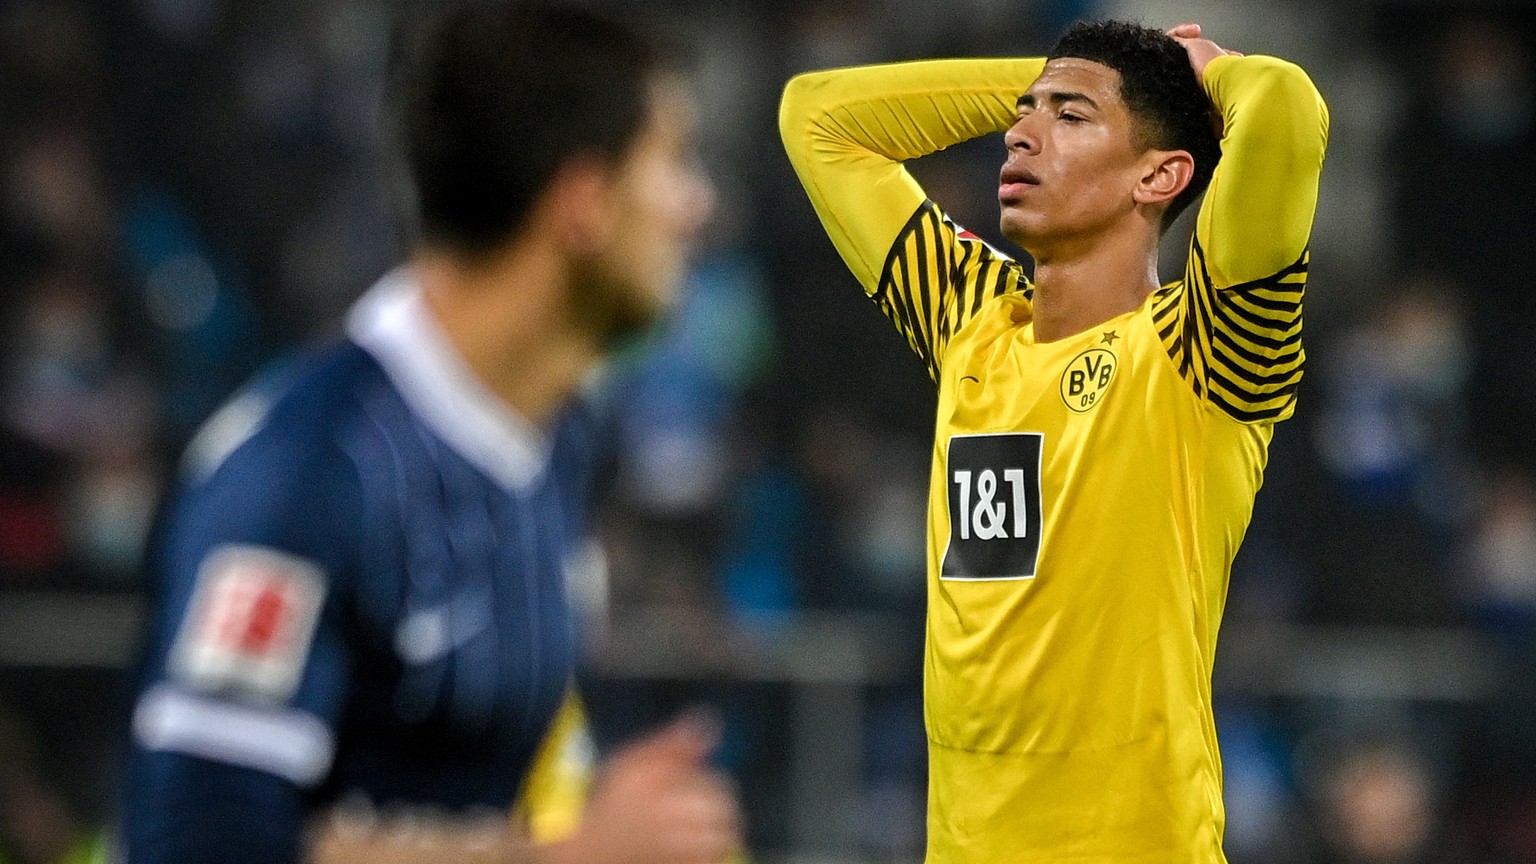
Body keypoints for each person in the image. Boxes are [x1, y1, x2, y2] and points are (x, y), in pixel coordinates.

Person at [121, 3, 739, 864]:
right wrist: (568, 860)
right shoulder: (302, 476)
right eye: (673, 162)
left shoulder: (555, 442)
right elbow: (197, 844)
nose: (694, 205)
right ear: (584, 203)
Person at [781, 19, 1327, 862]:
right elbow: (816, 115)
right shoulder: (973, 326)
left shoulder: (1205, 352)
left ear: (1161, 174)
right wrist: (1057, 80)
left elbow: (1288, 109)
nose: (1020, 132)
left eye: (1070, 118)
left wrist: (1209, 74)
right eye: (1023, 113)